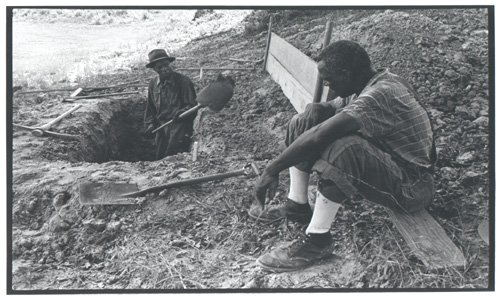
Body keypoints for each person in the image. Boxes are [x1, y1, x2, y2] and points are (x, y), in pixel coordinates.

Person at [250, 40, 436, 272]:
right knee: (303, 121)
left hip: (413, 187)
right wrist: (319, 108)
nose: (326, 83)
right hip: (394, 167)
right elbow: (335, 106)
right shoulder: (365, 83)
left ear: (346, 74)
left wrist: (271, 169)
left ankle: (317, 241)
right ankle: (297, 205)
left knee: (345, 148)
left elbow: (320, 136)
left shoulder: (381, 93)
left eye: (329, 78)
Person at [144, 49, 198, 160]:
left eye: (166, 65)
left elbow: (192, 105)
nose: (164, 69)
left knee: (173, 156)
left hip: (179, 125)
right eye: (160, 67)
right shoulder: (153, 84)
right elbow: (150, 108)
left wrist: (182, 113)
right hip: (161, 127)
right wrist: (150, 125)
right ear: (154, 69)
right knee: (160, 157)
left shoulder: (183, 82)